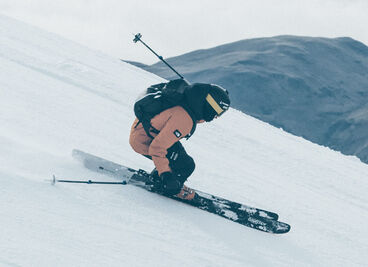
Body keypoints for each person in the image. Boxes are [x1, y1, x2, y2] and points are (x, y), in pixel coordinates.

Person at [129, 80, 230, 198]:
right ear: (209, 106)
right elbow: (157, 148)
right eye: (217, 112)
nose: (216, 117)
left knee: (181, 160)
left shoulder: (189, 100)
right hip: (144, 140)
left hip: (145, 131)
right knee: (185, 165)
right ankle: (165, 186)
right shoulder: (184, 119)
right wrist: (166, 175)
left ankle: (157, 178)